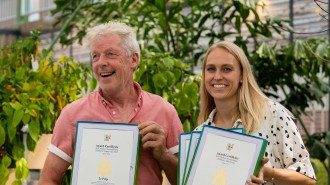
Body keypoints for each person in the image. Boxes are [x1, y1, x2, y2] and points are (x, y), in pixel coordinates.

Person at [38, 21, 183, 185]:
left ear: (133, 60)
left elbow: (184, 181)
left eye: (110, 54)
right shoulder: (72, 114)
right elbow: (48, 180)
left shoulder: (163, 110)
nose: (101, 62)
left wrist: (163, 154)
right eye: (95, 56)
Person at [194, 41, 316, 185]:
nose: (218, 76)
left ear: (241, 75)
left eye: (226, 69)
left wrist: (268, 173)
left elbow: (307, 178)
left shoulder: (272, 115)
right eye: (211, 69)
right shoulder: (199, 135)